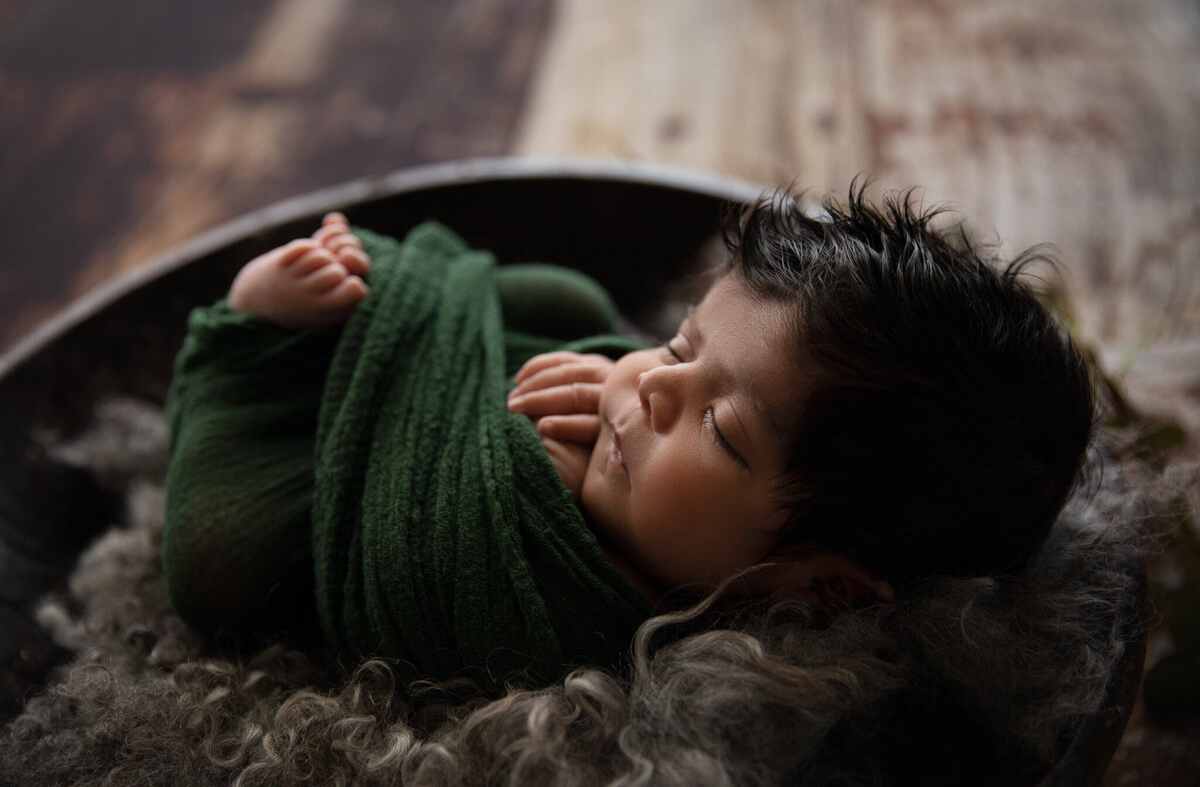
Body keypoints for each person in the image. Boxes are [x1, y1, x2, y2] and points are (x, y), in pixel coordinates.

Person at [162, 187, 1094, 690]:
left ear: (828, 587)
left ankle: (247, 351)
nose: (649, 388)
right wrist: (606, 370)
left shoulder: (680, 671)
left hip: (347, 499)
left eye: (724, 431)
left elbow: (439, 583)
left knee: (221, 559)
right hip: (422, 366)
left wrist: (522, 471)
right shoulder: (641, 399)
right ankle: (311, 307)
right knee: (565, 308)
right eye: (683, 341)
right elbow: (631, 376)